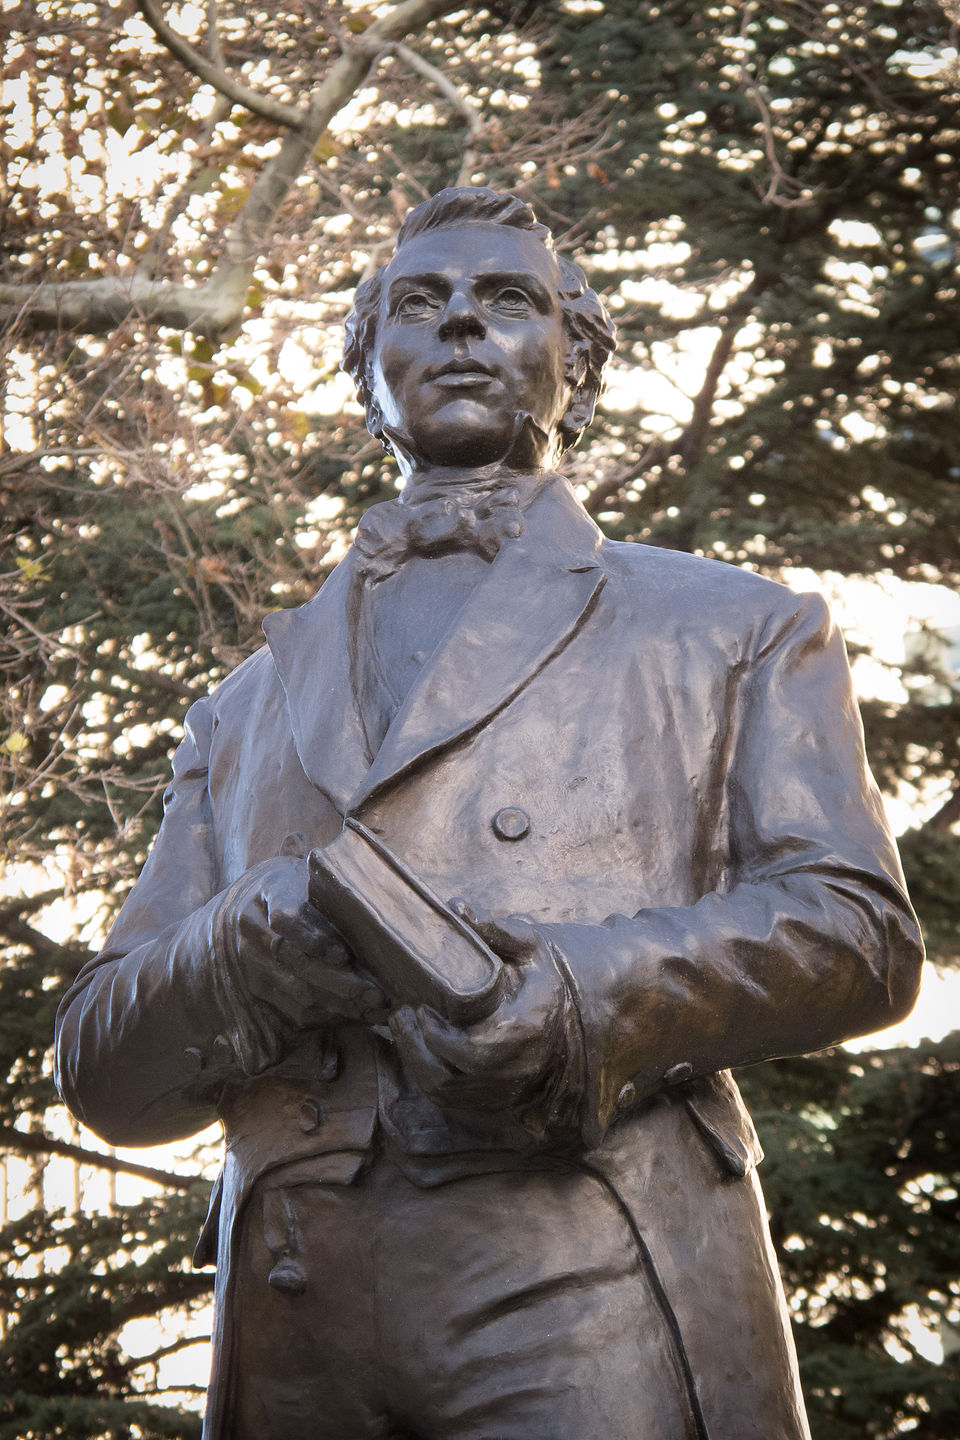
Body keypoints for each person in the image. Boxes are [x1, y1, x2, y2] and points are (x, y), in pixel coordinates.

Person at [55, 187, 924, 1440]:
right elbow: (104, 1071)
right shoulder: (238, 709)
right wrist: (250, 944)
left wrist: (580, 997)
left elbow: (859, 934)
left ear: (575, 361)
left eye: (507, 300)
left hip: (587, 1266)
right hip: (296, 1313)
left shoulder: (734, 627)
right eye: (420, 302)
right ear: (366, 370)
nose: (461, 320)